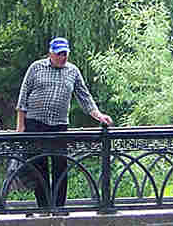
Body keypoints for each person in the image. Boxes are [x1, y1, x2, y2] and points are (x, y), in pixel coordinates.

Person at [15, 37, 113, 209]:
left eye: (65, 53)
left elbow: (84, 97)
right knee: (39, 167)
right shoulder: (36, 67)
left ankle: (59, 208)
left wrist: (99, 116)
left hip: (59, 126)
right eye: (59, 53)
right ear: (50, 53)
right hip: (35, 124)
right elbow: (23, 97)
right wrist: (20, 127)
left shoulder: (72, 71)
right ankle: (44, 208)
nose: (63, 57)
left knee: (61, 166)